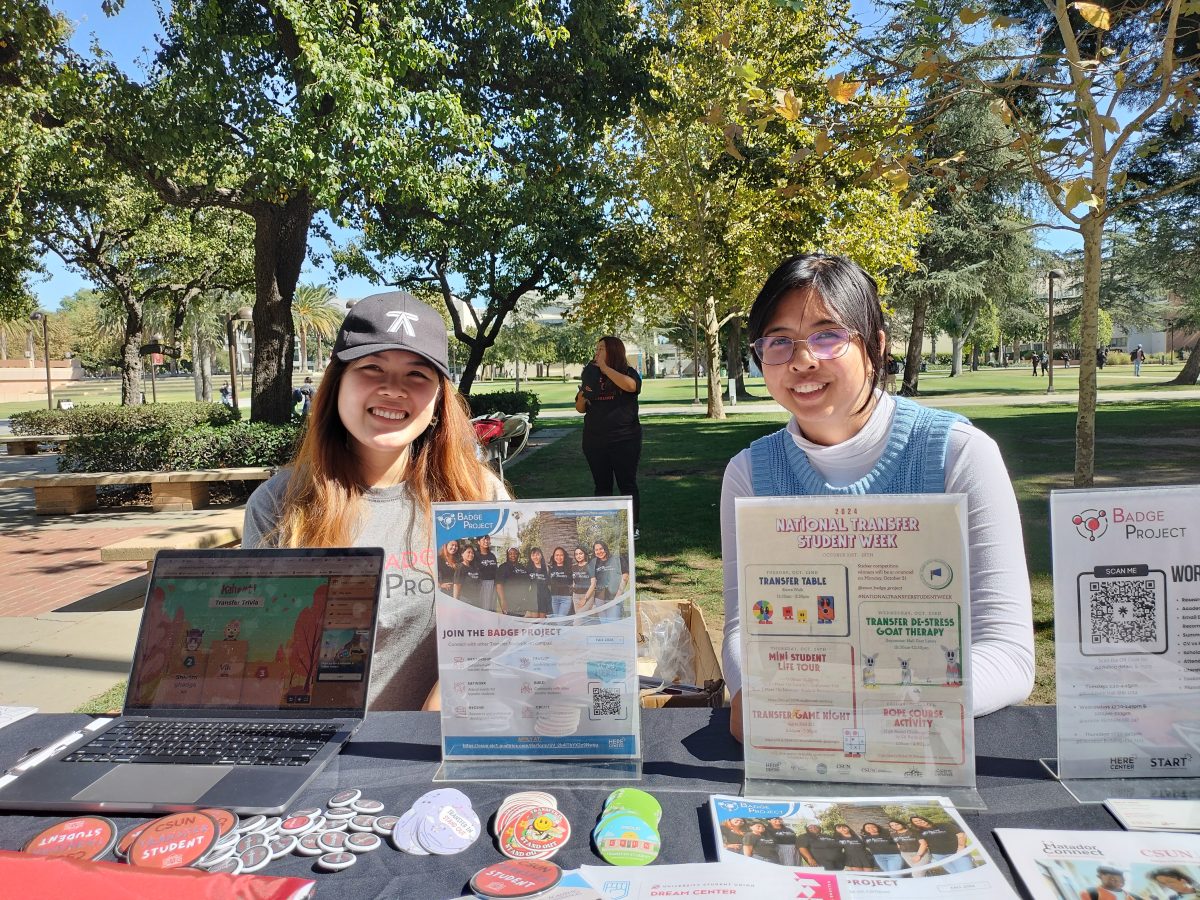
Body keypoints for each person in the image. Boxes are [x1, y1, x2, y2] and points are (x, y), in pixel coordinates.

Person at [721, 254, 1034, 741]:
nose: (802, 360)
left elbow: (1007, 653)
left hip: (928, 744)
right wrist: (749, 693)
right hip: (802, 742)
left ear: (876, 346)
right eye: (779, 342)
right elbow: (747, 632)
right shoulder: (748, 475)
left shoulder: (960, 455)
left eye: (827, 335)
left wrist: (877, 701)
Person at [241, 290, 506, 711]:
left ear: (438, 400)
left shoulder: (479, 496)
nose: (393, 390)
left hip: (438, 746)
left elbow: (497, 629)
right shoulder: (277, 504)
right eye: (371, 367)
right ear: (337, 385)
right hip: (318, 744)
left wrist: (434, 718)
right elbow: (263, 649)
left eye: (418, 375)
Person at [576, 336, 643, 539]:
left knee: (627, 484)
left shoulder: (628, 372)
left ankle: (632, 526)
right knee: (602, 485)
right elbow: (580, 408)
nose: (597, 352)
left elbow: (631, 386)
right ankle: (604, 526)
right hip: (595, 440)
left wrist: (605, 369)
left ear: (613, 351)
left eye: (602, 348)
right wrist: (583, 394)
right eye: (596, 348)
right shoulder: (591, 374)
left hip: (625, 439)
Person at [589, 540, 624, 623]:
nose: (599, 551)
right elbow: (593, 581)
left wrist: (618, 596)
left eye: (601, 549)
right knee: (604, 624)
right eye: (596, 550)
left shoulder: (615, 559)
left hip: (614, 597)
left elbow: (625, 577)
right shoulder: (594, 563)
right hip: (599, 599)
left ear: (605, 548)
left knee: (614, 623)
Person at [496, 546, 533, 617]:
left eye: (515, 553)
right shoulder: (503, 567)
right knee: (509, 623)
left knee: (520, 623)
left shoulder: (522, 567)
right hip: (509, 602)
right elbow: (499, 585)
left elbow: (528, 584)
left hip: (522, 602)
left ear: (518, 554)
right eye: (510, 553)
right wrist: (503, 601)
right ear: (507, 555)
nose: (513, 555)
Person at [1081, 865, 1145, 900]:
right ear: (1099, 877)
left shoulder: (1133, 896)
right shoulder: (1091, 893)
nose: (1118, 880)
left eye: (1121, 877)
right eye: (1112, 878)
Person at [570, 545, 595, 622]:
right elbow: (574, 581)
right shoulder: (573, 567)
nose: (578, 556)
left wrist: (585, 598)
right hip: (576, 596)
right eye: (576, 554)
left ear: (585, 554)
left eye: (580, 553)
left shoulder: (590, 566)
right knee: (582, 620)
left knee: (577, 620)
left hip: (587, 596)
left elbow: (593, 584)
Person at [475, 533, 499, 613]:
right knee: (483, 609)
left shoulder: (492, 556)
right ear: (478, 542)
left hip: (493, 584)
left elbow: (496, 570)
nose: (486, 541)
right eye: (484, 539)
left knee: (492, 609)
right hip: (481, 584)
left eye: (488, 539)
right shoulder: (475, 555)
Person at [547, 546, 573, 618]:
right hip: (554, 598)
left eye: (561, 555)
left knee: (560, 621)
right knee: (556, 620)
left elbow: (574, 582)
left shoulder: (569, 568)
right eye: (557, 555)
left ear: (564, 556)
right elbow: (548, 583)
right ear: (554, 556)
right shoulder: (551, 568)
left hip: (566, 598)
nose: (559, 557)